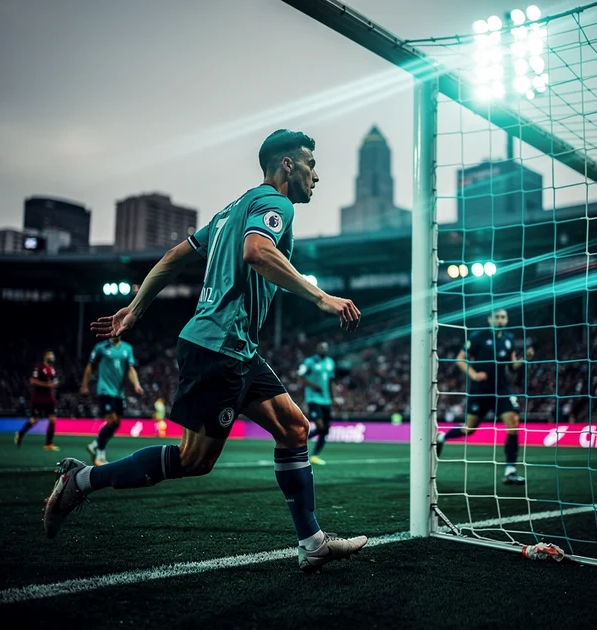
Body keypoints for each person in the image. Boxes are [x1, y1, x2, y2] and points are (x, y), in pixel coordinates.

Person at [43, 129, 367, 572]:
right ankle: (81, 479)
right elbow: (257, 251)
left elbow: (174, 257)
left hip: (238, 348)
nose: (316, 175)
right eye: (311, 164)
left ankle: (312, 543)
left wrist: (136, 308)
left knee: (294, 429)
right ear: (287, 165)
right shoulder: (276, 203)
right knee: (193, 460)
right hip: (219, 346)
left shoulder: (232, 209)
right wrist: (321, 297)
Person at [436, 308, 534, 485]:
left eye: (503, 317)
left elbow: (513, 366)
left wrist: (524, 358)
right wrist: (473, 374)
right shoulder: (478, 337)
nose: (500, 320)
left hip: (502, 389)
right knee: (469, 429)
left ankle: (510, 471)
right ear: (490, 319)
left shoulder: (509, 338)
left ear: (506, 320)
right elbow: (460, 358)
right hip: (480, 390)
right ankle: (442, 437)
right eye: (497, 317)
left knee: (513, 423)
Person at [81, 337, 143, 465]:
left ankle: (95, 445)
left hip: (119, 392)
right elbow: (90, 366)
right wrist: (84, 385)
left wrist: (136, 384)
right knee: (112, 420)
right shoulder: (101, 347)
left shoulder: (127, 348)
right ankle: (100, 455)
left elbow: (130, 369)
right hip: (105, 389)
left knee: (117, 423)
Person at [297, 342, 336, 465]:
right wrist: (313, 385)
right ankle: (297, 441)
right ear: (317, 348)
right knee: (320, 426)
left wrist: (334, 398)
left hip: (326, 399)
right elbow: (300, 377)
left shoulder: (330, 362)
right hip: (313, 398)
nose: (323, 349)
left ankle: (314, 456)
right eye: (321, 347)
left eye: (325, 347)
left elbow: (331, 381)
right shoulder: (309, 362)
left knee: (325, 430)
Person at [15, 350, 60, 450]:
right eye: (50, 355)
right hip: (38, 398)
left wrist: (54, 384)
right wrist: (47, 385)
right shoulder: (39, 367)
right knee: (34, 420)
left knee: (52, 419)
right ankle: (20, 433)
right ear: (45, 357)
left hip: (49, 398)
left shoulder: (52, 369)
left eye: (53, 355)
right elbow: (33, 381)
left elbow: (52, 382)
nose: (52, 357)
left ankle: (48, 444)